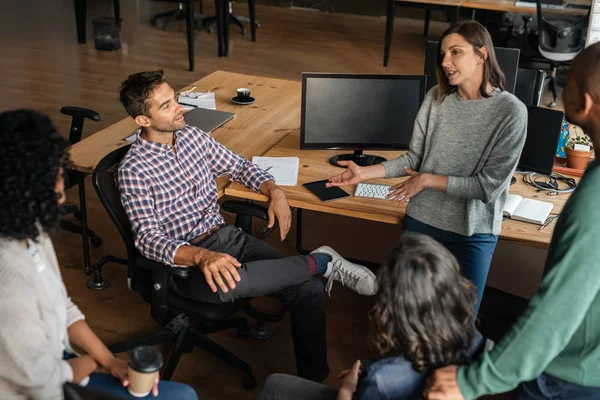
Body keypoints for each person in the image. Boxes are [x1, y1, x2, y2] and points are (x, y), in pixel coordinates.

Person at [116, 70, 377, 383]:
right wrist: (201, 257)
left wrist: (273, 191)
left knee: (307, 288)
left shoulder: (192, 137)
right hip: (186, 266)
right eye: (167, 105)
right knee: (233, 283)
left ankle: (312, 384)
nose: (179, 108)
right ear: (143, 120)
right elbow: (147, 240)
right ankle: (321, 262)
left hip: (227, 238)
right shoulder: (134, 169)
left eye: (175, 99)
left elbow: (239, 165)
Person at [424, 42, 600, 400]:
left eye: (566, 80)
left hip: (569, 377)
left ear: (583, 103)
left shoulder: (595, 196)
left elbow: (559, 309)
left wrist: (474, 382)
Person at [327, 20, 527, 309]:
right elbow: (413, 160)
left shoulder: (510, 112)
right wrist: (364, 173)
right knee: (406, 313)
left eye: (455, 52)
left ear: (482, 54)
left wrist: (427, 180)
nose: (445, 61)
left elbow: (488, 187)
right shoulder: (436, 98)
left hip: (473, 232)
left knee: (459, 324)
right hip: (423, 222)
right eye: (443, 54)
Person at [0, 109, 198, 399]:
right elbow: (44, 384)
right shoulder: (10, 283)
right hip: (42, 387)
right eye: (55, 178)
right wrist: (94, 364)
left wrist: (109, 361)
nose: (62, 191)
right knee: (182, 397)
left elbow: (62, 307)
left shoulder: (30, 231)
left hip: (58, 363)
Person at [255, 232, 483, 400]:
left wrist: (348, 388)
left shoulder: (381, 381)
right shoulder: (473, 338)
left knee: (275, 386)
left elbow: (385, 381)